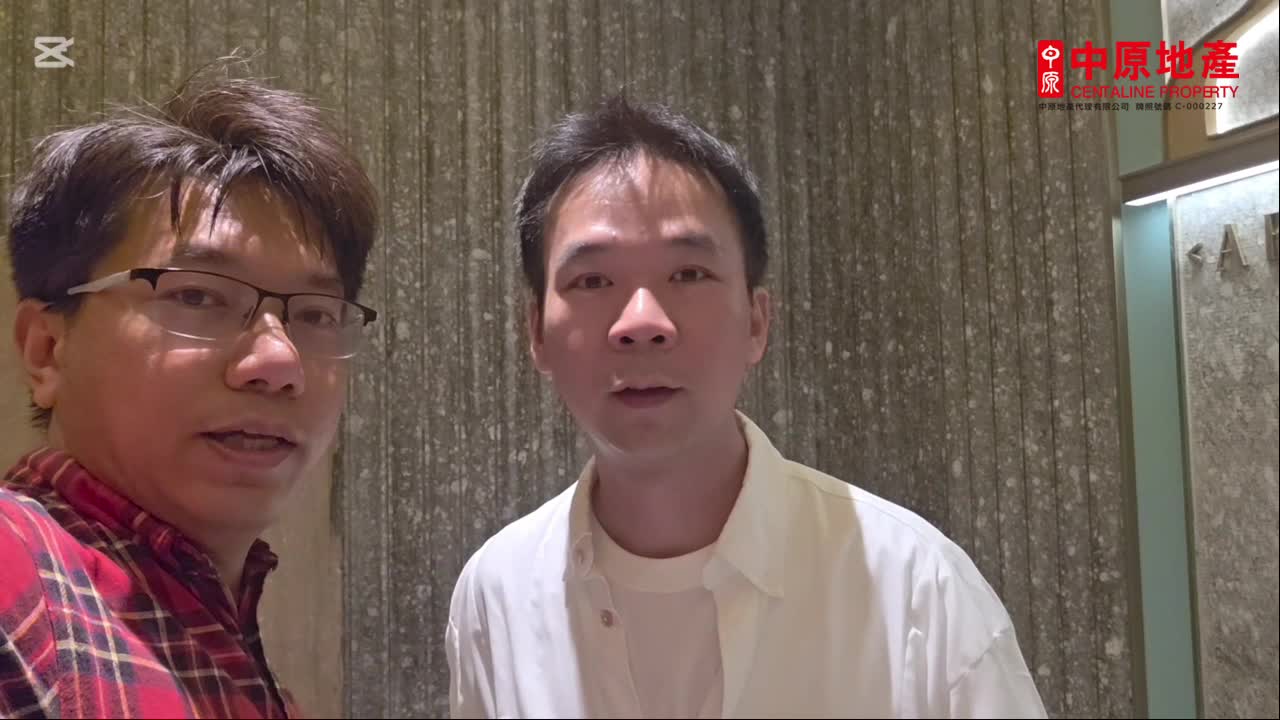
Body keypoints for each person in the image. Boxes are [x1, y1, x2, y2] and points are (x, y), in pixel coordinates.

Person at [445, 96, 1047, 718]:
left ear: (757, 322)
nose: (642, 322)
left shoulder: (919, 591)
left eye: (689, 274)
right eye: (593, 281)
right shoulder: (496, 597)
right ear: (536, 333)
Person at [0, 63, 378, 718]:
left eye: (317, 313)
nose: (278, 361)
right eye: (198, 296)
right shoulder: (17, 590)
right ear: (48, 348)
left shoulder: (225, 648)